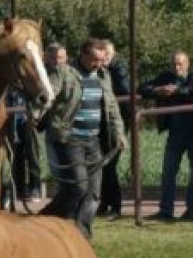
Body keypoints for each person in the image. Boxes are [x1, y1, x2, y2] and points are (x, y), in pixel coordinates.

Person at [39, 37, 127, 240]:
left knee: (94, 192)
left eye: (102, 59)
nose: (99, 64)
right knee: (78, 187)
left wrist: (119, 133)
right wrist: (39, 111)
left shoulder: (104, 75)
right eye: (95, 59)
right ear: (83, 55)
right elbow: (47, 95)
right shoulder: (64, 72)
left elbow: (112, 107)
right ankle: (45, 221)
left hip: (93, 140)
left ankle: (82, 235)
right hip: (71, 139)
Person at [140, 51, 193, 220]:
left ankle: (192, 210)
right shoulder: (165, 77)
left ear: (187, 64)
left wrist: (176, 91)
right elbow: (142, 88)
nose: (177, 67)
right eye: (174, 64)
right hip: (174, 133)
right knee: (168, 172)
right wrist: (158, 90)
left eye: (180, 64)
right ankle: (166, 210)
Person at [97, 40, 130, 220]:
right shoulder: (100, 70)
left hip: (117, 122)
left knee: (110, 164)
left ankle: (115, 206)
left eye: (107, 54)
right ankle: (104, 203)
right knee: (103, 165)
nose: (104, 58)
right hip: (103, 123)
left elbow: (124, 89)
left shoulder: (119, 69)